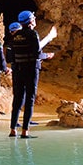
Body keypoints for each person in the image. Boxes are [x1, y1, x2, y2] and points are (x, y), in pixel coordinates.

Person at [9, 10, 56, 138]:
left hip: (18, 70)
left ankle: (13, 129)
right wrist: (47, 55)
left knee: (18, 99)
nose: (35, 19)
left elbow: (12, 57)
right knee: (29, 98)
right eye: (33, 18)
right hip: (31, 70)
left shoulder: (15, 36)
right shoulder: (32, 34)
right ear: (30, 21)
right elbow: (37, 54)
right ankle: (25, 131)